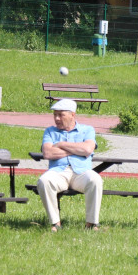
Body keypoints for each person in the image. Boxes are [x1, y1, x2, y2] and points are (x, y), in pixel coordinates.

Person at [36, 99, 103, 232]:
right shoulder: (49, 131)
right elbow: (48, 153)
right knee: (44, 181)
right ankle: (55, 223)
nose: (57, 118)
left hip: (81, 172)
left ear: (73, 114)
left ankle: (91, 223)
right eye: (55, 115)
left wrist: (60, 144)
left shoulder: (87, 130)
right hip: (58, 172)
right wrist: (77, 150)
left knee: (95, 180)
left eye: (61, 115)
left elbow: (87, 150)